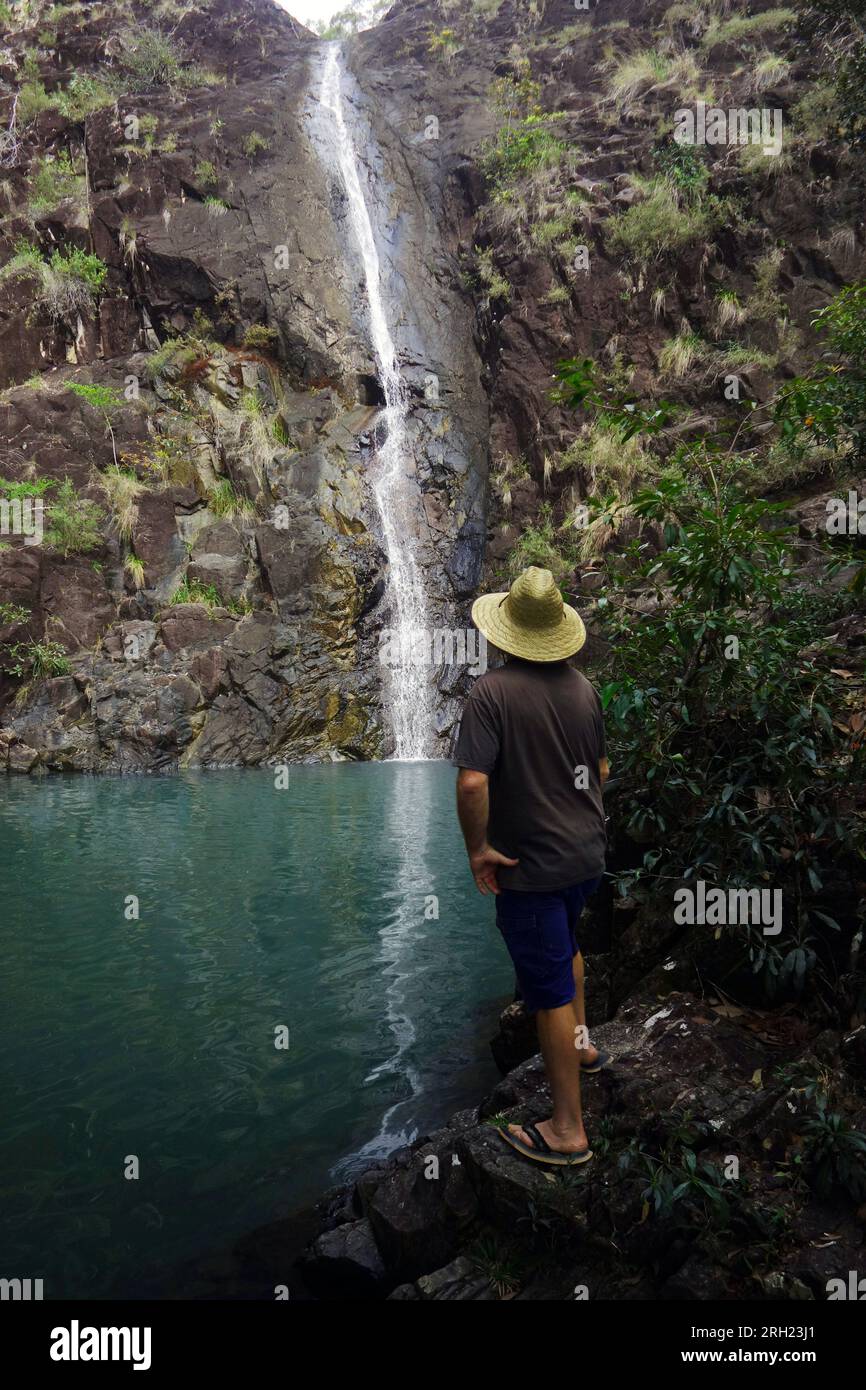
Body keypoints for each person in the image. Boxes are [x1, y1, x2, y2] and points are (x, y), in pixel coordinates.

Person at [454, 565, 610, 1167]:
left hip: (531, 865)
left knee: (545, 989)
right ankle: (585, 1046)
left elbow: (472, 783)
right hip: (585, 855)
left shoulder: (491, 693)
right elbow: (600, 774)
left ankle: (568, 1130)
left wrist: (478, 849)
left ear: (505, 631)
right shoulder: (585, 690)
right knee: (567, 947)